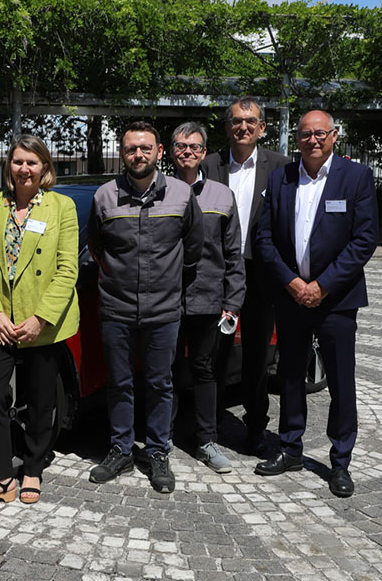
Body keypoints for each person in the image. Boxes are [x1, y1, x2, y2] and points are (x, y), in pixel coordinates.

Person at [253, 110, 378, 498]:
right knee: (290, 376)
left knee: (341, 381)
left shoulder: (355, 177)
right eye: (305, 134)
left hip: (336, 300)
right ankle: (290, 447)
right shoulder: (281, 178)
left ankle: (340, 461)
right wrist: (292, 283)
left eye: (319, 133)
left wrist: (321, 286)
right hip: (291, 297)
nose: (312, 140)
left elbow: (364, 240)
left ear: (334, 136)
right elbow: (263, 238)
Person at [87, 121, 202, 493]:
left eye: (145, 148)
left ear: (158, 152)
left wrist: (167, 284)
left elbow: (193, 249)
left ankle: (157, 452)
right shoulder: (104, 196)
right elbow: (96, 247)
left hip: (164, 310)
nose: (138, 154)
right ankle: (121, 448)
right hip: (117, 309)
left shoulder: (182, 195)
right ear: (122, 153)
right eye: (131, 148)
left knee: (159, 383)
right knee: (119, 383)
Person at [0, 135, 79, 508]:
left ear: (45, 167)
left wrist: (41, 318)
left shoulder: (62, 208)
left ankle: (32, 468)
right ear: (8, 166)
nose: (24, 169)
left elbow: (67, 269)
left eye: (32, 162)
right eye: (17, 162)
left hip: (42, 323)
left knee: (40, 399)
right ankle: (1, 477)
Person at [200, 97, 289, 456]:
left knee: (255, 355)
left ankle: (255, 426)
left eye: (251, 122)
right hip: (214, 271)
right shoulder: (208, 165)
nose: (244, 127)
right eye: (237, 121)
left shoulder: (281, 167)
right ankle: (210, 425)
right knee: (212, 352)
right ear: (227, 127)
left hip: (258, 275)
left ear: (262, 128)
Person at [171, 122, 246, 473]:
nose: (187, 151)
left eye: (194, 146)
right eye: (181, 145)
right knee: (164, 370)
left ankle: (206, 440)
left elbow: (233, 254)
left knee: (204, 369)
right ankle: (160, 439)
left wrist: (233, 302)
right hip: (165, 300)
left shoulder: (221, 194)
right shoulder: (158, 190)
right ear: (171, 151)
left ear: (204, 153)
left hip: (208, 300)